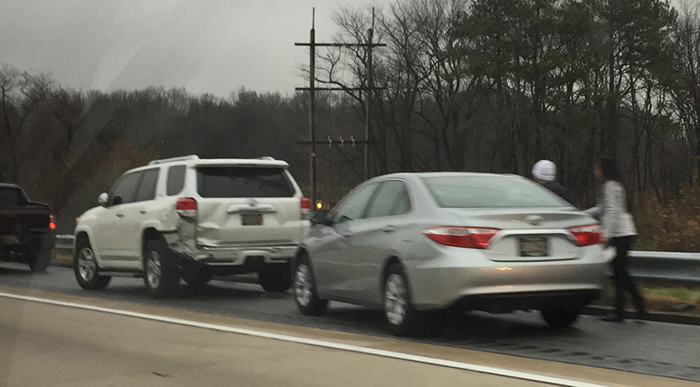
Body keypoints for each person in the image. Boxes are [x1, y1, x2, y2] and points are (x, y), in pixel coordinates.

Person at [585, 157, 646, 322]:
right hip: (623, 232)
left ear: (604, 169)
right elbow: (602, 209)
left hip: (619, 234)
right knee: (619, 272)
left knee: (620, 272)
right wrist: (582, 214)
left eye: (597, 168)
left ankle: (634, 306)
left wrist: (606, 235)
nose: (595, 170)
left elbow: (611, 211)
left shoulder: (610, 186)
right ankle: (625, 309)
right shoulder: (615, 185)